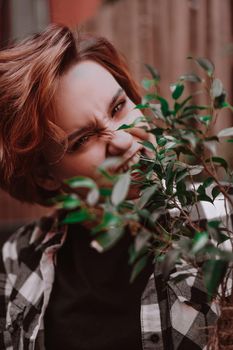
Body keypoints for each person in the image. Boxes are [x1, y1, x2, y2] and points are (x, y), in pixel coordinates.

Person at [0, 24, 222, 350]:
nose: (120, 140)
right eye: (83, 139)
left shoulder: (220, 224)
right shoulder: (17, 262)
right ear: (45, 177)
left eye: (118, 107)